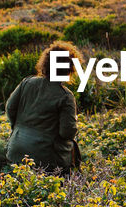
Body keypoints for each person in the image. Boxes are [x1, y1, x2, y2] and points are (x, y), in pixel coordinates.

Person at [5, 41, 82, 175]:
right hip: (45, 159)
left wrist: (18, 129)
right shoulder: (66, 96)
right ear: (69, 69)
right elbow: (67, 132)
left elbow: (10, 108)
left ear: (46, 63)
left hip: (15, 151)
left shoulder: (27, 82)